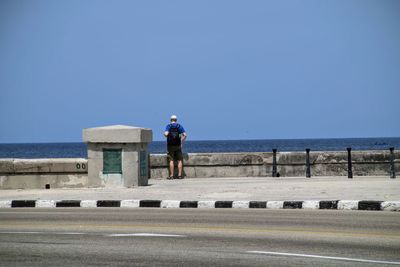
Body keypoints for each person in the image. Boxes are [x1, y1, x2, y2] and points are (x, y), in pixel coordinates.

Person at [164, 115, 187, 179]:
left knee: (171, 160)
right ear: (176, 120)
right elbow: (185, 135)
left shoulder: (168, 126)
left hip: (170, 145)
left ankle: (171, 175)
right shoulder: (179, 126)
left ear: (170, 120)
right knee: (179, 160)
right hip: (178, 145)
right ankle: (179, 175)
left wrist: (165, 134)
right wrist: (181, 142)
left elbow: (166, 134)